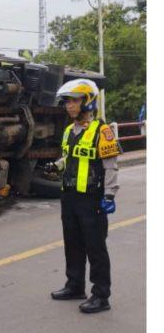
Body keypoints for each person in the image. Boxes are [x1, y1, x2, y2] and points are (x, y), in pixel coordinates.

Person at [48, 78, 120, 314]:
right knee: (73, 244)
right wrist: (56, 166)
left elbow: (111, 166)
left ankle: (101, 295)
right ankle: (75, 285)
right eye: (67, 101)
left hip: (92, 199)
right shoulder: (69, 131)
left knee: (95, 247)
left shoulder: (103, 131)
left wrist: (109, 195)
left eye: (74, 101)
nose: (69, 106)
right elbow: (70, 159)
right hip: (69, 198)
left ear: (87, 102)